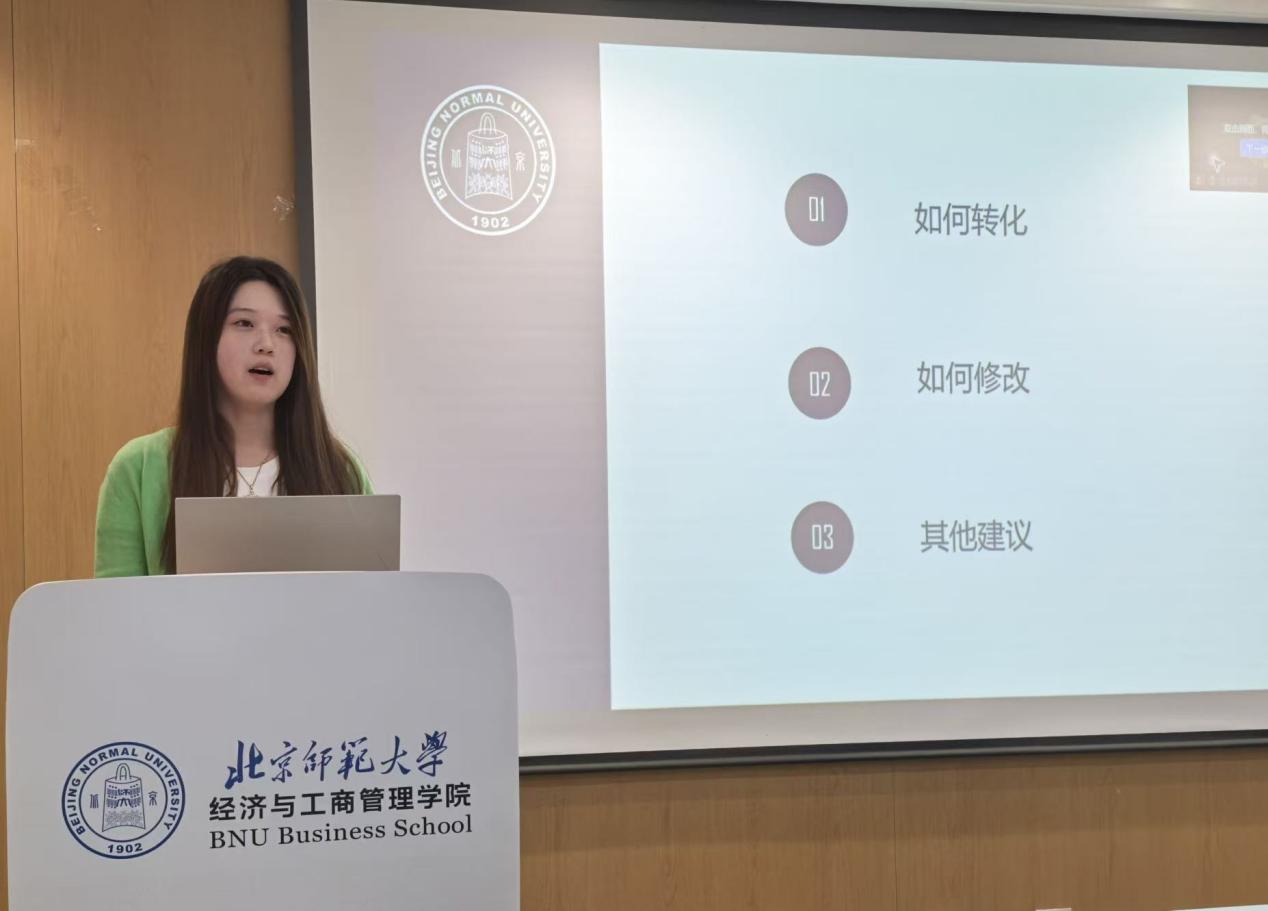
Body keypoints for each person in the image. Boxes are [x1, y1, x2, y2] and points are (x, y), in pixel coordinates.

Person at [94, 256, 372, 577]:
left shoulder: (339, 470)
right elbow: (117, 604)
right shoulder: (138, 468)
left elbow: (373, 598)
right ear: (206, 338)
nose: (266, 345)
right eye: (244, 323)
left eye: (284, 330)